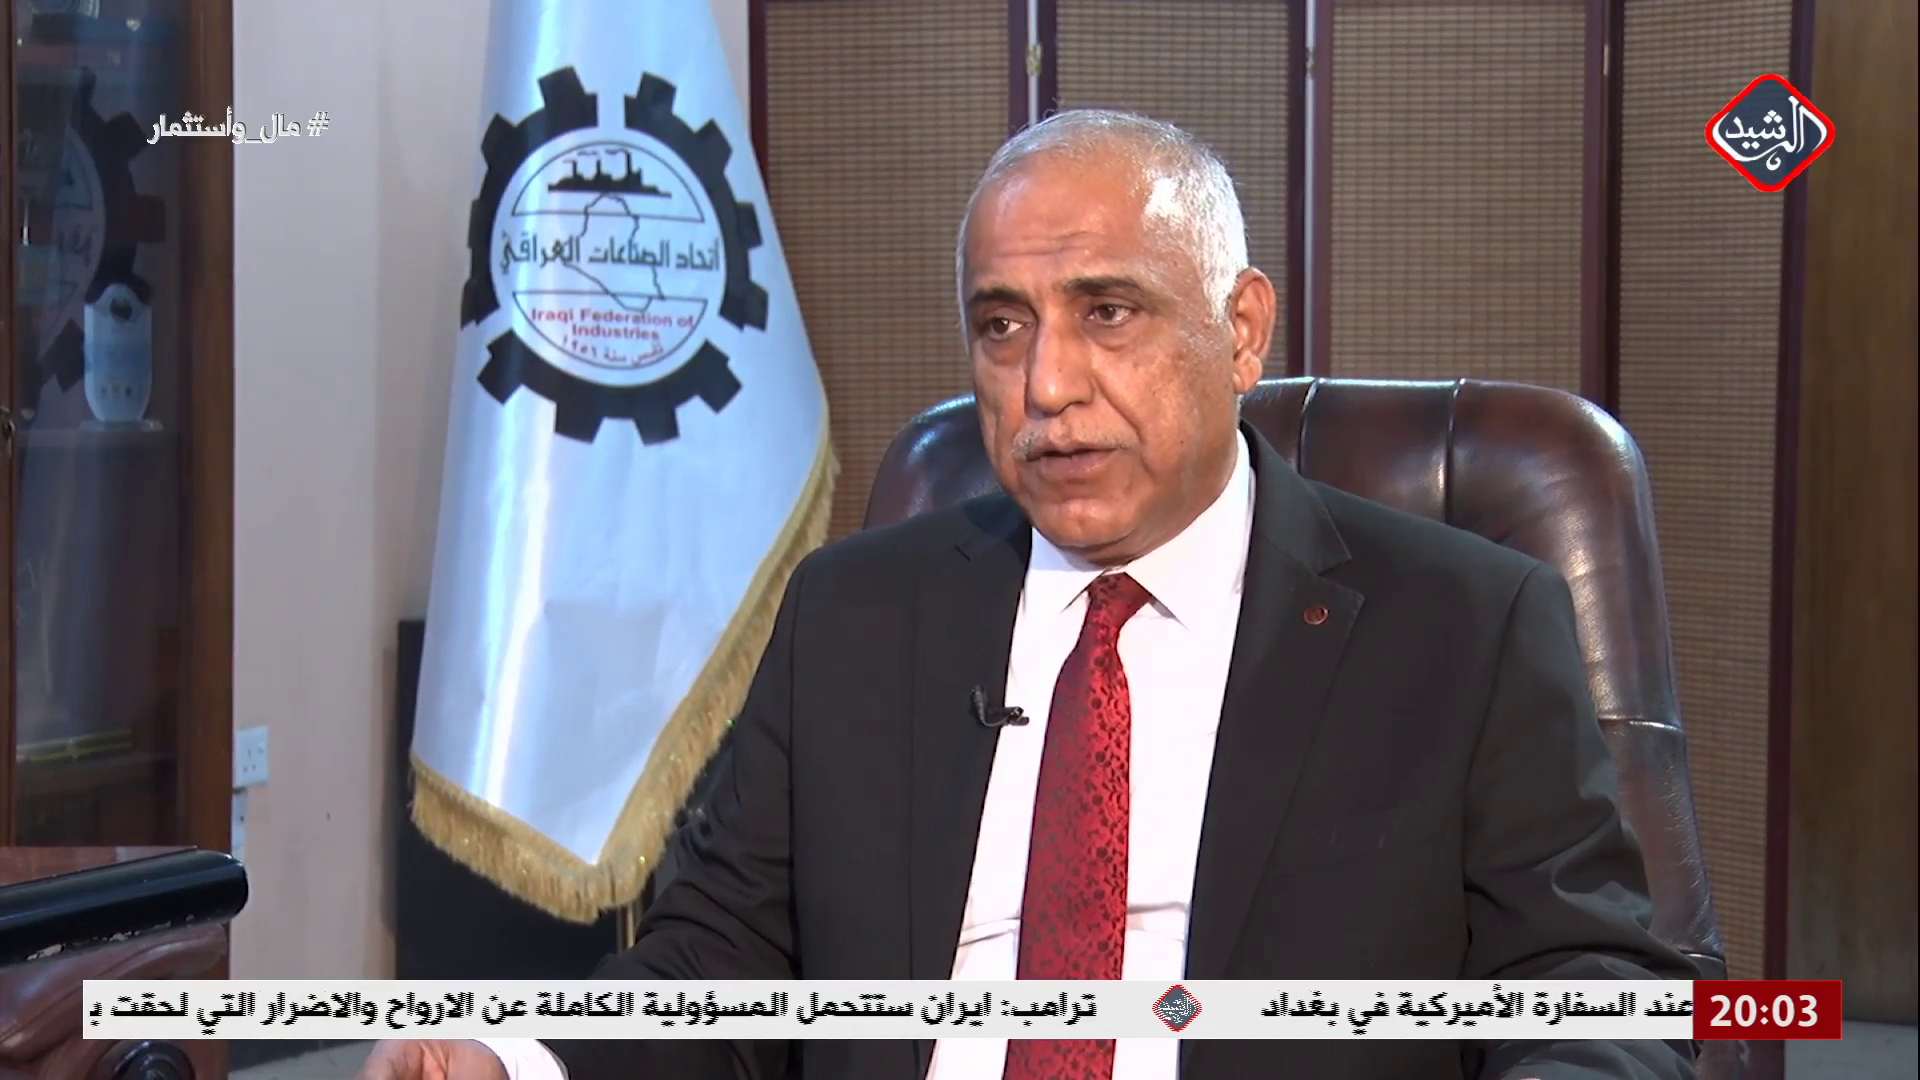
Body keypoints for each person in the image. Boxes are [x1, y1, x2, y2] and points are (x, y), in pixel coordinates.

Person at [359, 110, 1697, 1080]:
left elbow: (1588, 986)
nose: (1046, 385)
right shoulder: (857, 616)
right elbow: (718, 961)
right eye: (1003, 325)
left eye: (1108, 312)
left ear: (1241, 330)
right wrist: (518, 1055)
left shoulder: (1459, 626)